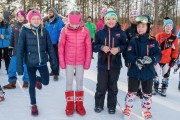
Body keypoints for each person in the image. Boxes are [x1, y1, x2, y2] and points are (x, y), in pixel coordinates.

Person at [16, 9, 57, 116]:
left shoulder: (45, 31)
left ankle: (38, 80)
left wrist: (54, 64)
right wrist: (19, 68)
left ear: (41, 19)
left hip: (42, 61)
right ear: (29, 20)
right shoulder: (24, 31)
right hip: (30, 63)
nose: (36, 21)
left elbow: (50, 48)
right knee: (31, 84)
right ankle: (33, 105)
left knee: (46, 82)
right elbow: (20, 50)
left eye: (38, 18)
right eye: (33, 19)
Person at [123, 15, 162, 120]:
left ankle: (146, 109)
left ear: (148, 27)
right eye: (139, 26)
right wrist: (136, 60)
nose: (140, 28)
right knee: (132, 91)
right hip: (135, 71)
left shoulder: (153, 42)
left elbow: (159, 54)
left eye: (143, 26)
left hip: (148, 72)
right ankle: (128, 107)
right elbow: (129, 54)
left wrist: (152, 59)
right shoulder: (133, 41)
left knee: (147, 92)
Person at [93, 8, 128, 114]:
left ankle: (111, 106)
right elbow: (93, 46)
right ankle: (99, 105)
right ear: (105, 20)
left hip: (115, 65)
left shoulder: (121, 33)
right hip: (102, 65)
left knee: (113, 86)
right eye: (108, 19)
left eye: (113, 19)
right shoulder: (99, 33)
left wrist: (118, 49)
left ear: (116, 20)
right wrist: (101, 47)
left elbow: (126, 46)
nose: (111, 21)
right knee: (101, 86)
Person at [58, 10, 92, 116]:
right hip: (69, 61)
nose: (74, 25)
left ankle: (79, 103)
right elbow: (61, 47)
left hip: (80, 62)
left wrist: (87, 62)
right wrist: (62, 62)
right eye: (71, 22)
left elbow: (88, 47)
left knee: (79, 81)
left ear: (80, 20)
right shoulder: (65, 30)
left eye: (76, 22)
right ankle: (69, 104)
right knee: (69, 81)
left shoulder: (85, 30)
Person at [3, 9, 29, 89]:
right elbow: (12, 38)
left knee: (26, 67)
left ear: (24, 17)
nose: (20, 18)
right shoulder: (14, 27)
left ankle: (26, 81)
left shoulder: (28, 26)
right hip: (16, 51)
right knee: (12, 66)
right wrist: (10, 47)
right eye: (18, 16)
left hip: (26, 51)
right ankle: (12, 82)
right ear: (16, 18)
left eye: (22, 16)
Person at [153, 19, 179, 96]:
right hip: (158, 60)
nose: (168, 27)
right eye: (167, 26)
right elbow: (154, 47)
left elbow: (175, 50)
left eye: (170, 26)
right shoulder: (158, 36)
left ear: (172, 28)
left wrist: (174, 59)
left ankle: (164, 88)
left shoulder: (174, 38)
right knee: (156, 74)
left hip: (167, 61)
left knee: (166, 75)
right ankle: (155, 87)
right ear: (164, 27)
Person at [124, 10, 143, 99]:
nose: (134, 19)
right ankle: (132, 90)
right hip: (131, 57)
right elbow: (125, 46)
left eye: (135, 17)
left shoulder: (142, 28)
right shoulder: (127, 31)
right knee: (131, 73)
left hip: (141, 55)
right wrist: (126, 58)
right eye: (132, 17)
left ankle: (139, 89)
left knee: (140, 73)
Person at [45, 8, 65, 80]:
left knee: (56, 58)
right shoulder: (47, 22)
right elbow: (45, 32)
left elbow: (62, 32)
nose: (49, 13)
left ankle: (56, 73)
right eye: (48, 12)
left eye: (51, 12)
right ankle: (53, 70)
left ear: (54, 13)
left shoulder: (59, 21)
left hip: (56, 43)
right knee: (50, 58)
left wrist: (59, 41)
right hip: (48, 43)